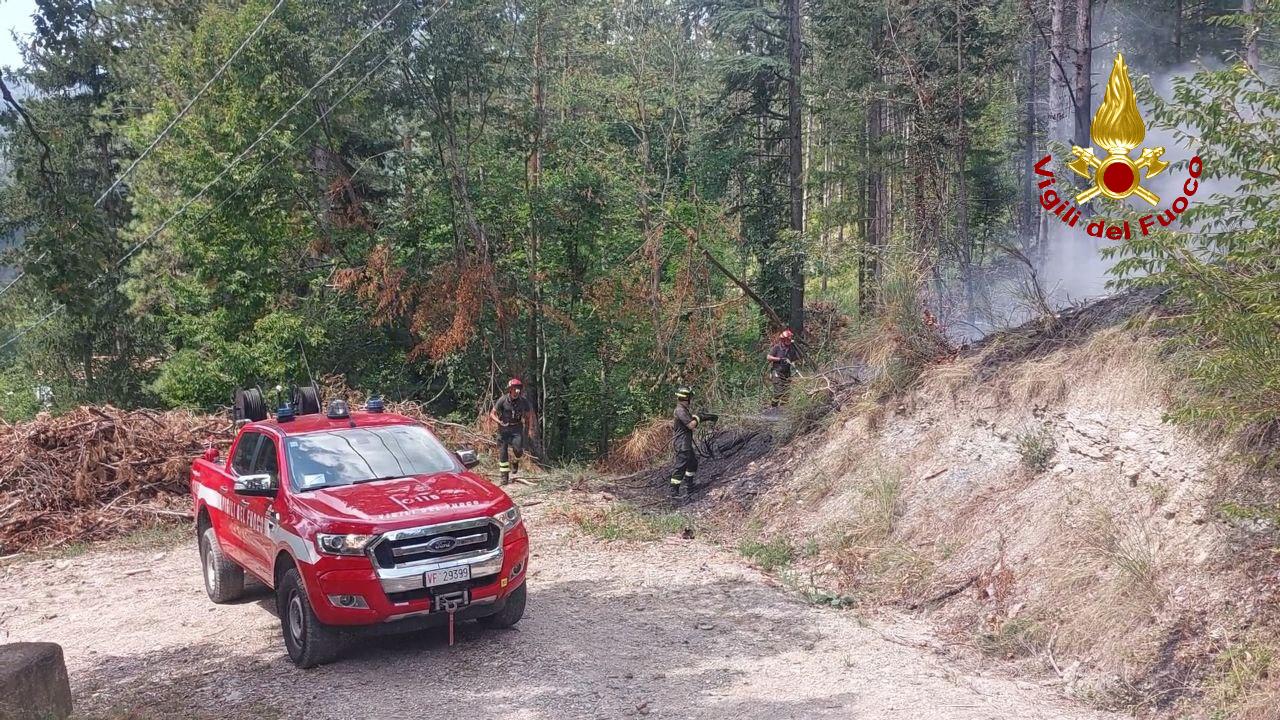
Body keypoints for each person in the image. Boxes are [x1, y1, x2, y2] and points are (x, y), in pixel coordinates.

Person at [669, 386, 716, 499]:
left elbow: (691, 421)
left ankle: (690, 486)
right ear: (687, 398)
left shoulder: (683, 409)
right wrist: (699, 417)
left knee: (693, 463)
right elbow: (691, 425)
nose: (691, 399)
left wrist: (702, 417)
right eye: (690, 397)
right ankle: (674, 493)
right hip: (682, 444)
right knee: (680, 467)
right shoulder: (680, 410)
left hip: (686, 443)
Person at [489, 378, 533, 483]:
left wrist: (527, 430)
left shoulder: (523, 401)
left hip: (517, 428)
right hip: (504, 429)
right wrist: (499, 422)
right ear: (510, 389)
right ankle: (504, 476)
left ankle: (515, 462)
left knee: (518, 450)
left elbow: (528, 416)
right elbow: (492, 413)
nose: (517, 391)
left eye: (518, 389)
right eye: (514, 388)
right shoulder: (503, 400)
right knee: (503, 452)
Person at [766, 328, 800, 407]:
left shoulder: (792, 349)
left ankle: (782, 410)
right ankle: (774, 406)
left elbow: (795, 359)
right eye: (788, 339)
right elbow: (768, 357)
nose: (789, 340)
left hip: (787, 373)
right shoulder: (777, 348)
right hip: (777, 372)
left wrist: (794, 364)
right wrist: (780, 359)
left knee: (786, 393)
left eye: (790, 339)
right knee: (779, 391)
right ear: (783, 340)